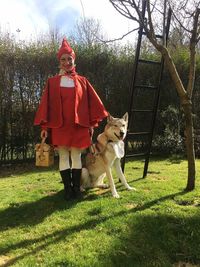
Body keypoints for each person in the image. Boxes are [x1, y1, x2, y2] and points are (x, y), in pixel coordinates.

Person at [34, 38, 108, 200]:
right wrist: (45, 128)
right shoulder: (52, 82)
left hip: (78, 125)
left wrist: (90, 125)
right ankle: (68, 190)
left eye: (70, 59)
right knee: (63, 156)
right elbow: (47, 106)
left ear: (74, 60)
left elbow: (90, 104)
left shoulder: (83, 81)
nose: (67, 62)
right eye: (63, 59)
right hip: (59, 125)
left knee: (76, 156)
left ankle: (76, 189)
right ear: (59, 61)